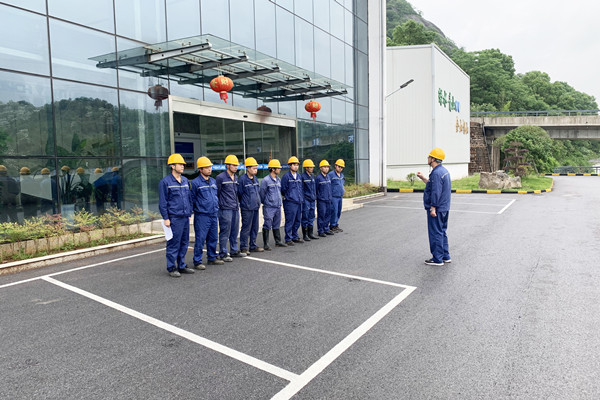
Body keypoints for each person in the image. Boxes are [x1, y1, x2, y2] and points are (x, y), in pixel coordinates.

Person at [158, 153, 195, 277]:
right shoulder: (165, 182)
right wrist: (166, 218)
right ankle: (171, 267)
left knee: (184, 242)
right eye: (180, 164)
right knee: (174, 243)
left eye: (183, 164)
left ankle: (182, 265)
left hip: (184, 217)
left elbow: (189, 198)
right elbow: (163, 202)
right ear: (172, 166)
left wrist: (189, 212)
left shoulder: (185, 180)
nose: (183, 166)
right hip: (174, 218)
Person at [417, 147, 452, 266]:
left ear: (433, 159)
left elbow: (436, 192)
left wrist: (433, 208)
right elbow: (434, 185)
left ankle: (437, 259)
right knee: (442, 232)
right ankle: (445, 256)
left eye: (429, 157)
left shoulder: (436, 173)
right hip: (444, 208)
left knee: (435, 233)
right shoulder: (443, 171)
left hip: (437, 208)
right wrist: (423, 178)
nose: (427, 158)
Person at [191, 156, 224, 269]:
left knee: (213, 237)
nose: (209, 169)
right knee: (200, 239)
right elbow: (192, 199)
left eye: (210, 167)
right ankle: (197, 261)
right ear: (200, 169)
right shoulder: (195, 183)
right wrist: (197, 210)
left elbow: (215, 196)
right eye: (206, 167)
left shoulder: (213, 181)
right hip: (202, 215)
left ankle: (212, 257)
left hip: (213, 213)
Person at [216, 154, 245, 262]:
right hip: (225, 209)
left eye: (236, 165)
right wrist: (220, 205)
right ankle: (223, 253)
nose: (236, 167)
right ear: (227, 165)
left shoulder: (236, 177)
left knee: (234, 230)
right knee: (225, 231)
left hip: (235, 208)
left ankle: (234, 250)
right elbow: (217, 193)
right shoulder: (220, 178)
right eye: (234, 165)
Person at [238, 157, 263, 254]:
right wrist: (245, 203)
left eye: (256, 168)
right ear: (248, 168)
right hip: (247, 208)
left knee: (255, 227)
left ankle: (253, 245)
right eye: (253, 168)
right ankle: (244, 247)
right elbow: (239, 193)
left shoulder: (255, 179)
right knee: (246, 228)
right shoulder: (242, 180)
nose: (255, 170)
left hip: (255, 207)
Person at [260, 159, 286, 249]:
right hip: (269, 206)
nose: (280, 169)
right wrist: (267, 202)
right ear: (273, 169)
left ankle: (278, 241)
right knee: (267, 224)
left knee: (276, 224)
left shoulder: (278, 179)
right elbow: (262, 193)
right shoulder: (266, 180)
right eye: (278, 168)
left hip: (277, 206)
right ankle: (266, 244)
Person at [281, 156, 303, 245]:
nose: (296, 166)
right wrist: (289, 196)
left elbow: (301, 188)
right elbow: (283, 189)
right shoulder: (286, 176)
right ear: (290, 166)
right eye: (294, 164)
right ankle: (288, 238)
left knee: (297, 220)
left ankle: (295, 236)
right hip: (290, 202)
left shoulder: (299, 176)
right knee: (290, 220)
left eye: (297, 165)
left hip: (298, 201)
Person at [301, 159, 319, 242]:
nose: (312, 168)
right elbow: (301, 189)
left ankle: (310, 233)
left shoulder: (312, 176)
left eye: (312, 167)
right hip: (306, 200)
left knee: (311, 216)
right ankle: (305, 235)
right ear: (306, 168)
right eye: (310, 167)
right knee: (305, 217)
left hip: (312, 200)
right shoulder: (303, 177)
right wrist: (303, 199)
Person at [315, 160, 334, 237]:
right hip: (321, 200)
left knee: (328, 215)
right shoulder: (318, 178)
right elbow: (316, 189)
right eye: (324, 167)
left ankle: (326, 229)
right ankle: (321, 230)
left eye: (327, 167)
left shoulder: (328, 177)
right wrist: (319, 197)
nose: (326, 168)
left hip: (328, 199)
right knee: (321, 215)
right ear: (321, 168)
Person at [328, 159, 346, 232]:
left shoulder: (342, 175)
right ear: (335, 166)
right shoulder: (331, 175)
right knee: (334, 211)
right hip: (334, 196)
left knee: (338, 211)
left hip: (340, 196)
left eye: (342, 167)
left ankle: (335, 224)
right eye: (339, 166)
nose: (340, 168)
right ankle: (332, 225)